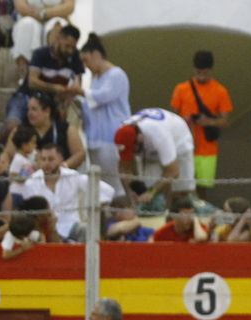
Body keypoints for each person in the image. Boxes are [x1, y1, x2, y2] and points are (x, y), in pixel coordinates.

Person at [169, 50, 232, 190]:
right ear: (194, 69)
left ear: (211, 70)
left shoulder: (220, 91)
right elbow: (172, 119)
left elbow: (225, 121)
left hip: (207, 150)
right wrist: (184, 121)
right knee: (182, 187)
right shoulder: (181, 89)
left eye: (205, 73)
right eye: (198, 73)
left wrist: (208, 122)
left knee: (202, 188)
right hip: (184, 146)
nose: (202, 77)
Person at [113, 108, 195, 207]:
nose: (133, 153)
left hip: (179, 141)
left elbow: (173, 171)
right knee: (149, 189)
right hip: (150, 148)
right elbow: (124, 168)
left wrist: (152, 191)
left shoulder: (158, 133)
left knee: (181, 192)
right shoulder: (122, 133)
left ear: (139, 138)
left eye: (133, 149)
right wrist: (131, 194)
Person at [78, 35, 129, 184]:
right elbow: (89, 104)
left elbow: (103, 96)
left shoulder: (117, 75)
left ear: (96, 55)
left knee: (115, 184)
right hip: (94, 139)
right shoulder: (95, 79)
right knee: (99, 185)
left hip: (112, 138)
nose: (85, 66)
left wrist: (79, 91)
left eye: (86, 60)